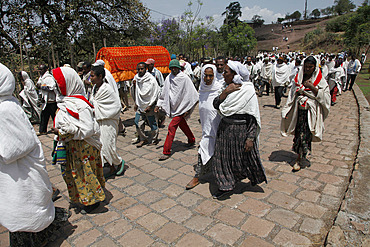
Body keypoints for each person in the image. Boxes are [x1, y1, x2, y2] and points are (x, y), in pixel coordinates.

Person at [0, 63, 69, 246]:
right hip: (14, 173)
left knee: (27, 211)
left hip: (21, 170)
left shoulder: (6, 109)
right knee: (24, 214)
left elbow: (15, 147)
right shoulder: (6, 105)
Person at [52, 67, 105, 214]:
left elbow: (87, 129)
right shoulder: (64, 102)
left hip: (83, 147)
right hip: (72, 147)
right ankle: (81, 198)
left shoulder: (80, 105)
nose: (56, 87)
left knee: (85, 174)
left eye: (59, 83)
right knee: (75, 173)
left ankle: (92, 202)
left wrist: (64, 131)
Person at [212, 61, 267, 199]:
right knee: (222, 159)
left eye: (226, 72)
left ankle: (243, 177)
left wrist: (250, 138)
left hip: (241, 131)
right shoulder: (224, 88)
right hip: (225, 129)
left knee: (241, 158)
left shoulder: (248, 90)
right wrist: (225, 92)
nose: (223, 74)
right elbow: (215, 104)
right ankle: (225, 185)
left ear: (235, 75)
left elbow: (253, 117)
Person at [281, 56, 331, 171]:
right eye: (306, 67)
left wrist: (312, 88)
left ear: (314, 67)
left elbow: (325, 97)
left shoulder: (320, 81)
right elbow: (291, 95)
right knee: (298, 134)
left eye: (310, 67)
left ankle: (300, 158)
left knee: (305, 135)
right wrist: (287, 109)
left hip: (310, 113)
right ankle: (300, 154)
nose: (308, 69)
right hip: (299, 112)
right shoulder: (298, 79)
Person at [186, 64, 223, 190]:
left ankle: (203, 177)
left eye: (210, 76)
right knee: (205, 149)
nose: (208, 78)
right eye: (205, 75)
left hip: (218, 128)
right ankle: (201, 175)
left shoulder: (219, 90)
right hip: (206, 128)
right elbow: (199, 104)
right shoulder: (201, 89)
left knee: (213, 152)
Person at [155, 59, 198, 161]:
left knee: (171, 127)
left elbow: (192, 93)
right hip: (174, 106)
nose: (174, 70)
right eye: (172, 68)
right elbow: (164, 92)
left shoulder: (184, 78)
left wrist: (187, 108)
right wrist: (159, 104)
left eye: (175, 68)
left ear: (179, 68)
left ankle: (166, 151)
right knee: (182, 124)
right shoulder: (169, 78)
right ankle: (191, 139)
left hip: (182, 107)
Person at [90, 65, 126, 178]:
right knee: (101, 146)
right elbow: (94, 102)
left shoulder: (107, 89)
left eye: (92, 76)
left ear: (100, 76)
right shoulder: (94, 89)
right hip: (98, 122)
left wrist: (98, 111)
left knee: (108, 146)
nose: (90, 78)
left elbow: (116, 106)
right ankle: (111, 167)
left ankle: (119, 162)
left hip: (108, 122)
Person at [133, 62, 160, 147]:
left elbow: (156, 92)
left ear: (146, 69)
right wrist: (136, 103)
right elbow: (136, 91)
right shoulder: (136, 78)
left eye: (142, 69)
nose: (140, 71)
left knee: (152, 124)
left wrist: (151, 105)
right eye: (138, 69)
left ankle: (154, 139)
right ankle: (143, 139)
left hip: (149, 105)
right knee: (137, 122)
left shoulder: (151, 79)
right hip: (140, 105)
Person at [36, 64, 58, 135]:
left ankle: (57, 129)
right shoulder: (41, 77)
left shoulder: (49, 78)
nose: (40, 71)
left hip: (52, 100)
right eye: (39, 69)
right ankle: (42, 130)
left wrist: (43, 87)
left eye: (41, 69)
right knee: (44, 116)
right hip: (45, 101)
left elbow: (52, 87)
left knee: (54, 116)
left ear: (45, 69)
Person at [146, 58, 166, 127]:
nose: (147, 66)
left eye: (148, 65)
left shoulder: (157, 73)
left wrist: (160, 94)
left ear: (152, 65)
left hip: (157, 93)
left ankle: (158, 121)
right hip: (149, 93)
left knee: (156, 109)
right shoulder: (146, 73)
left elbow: (161, 84)